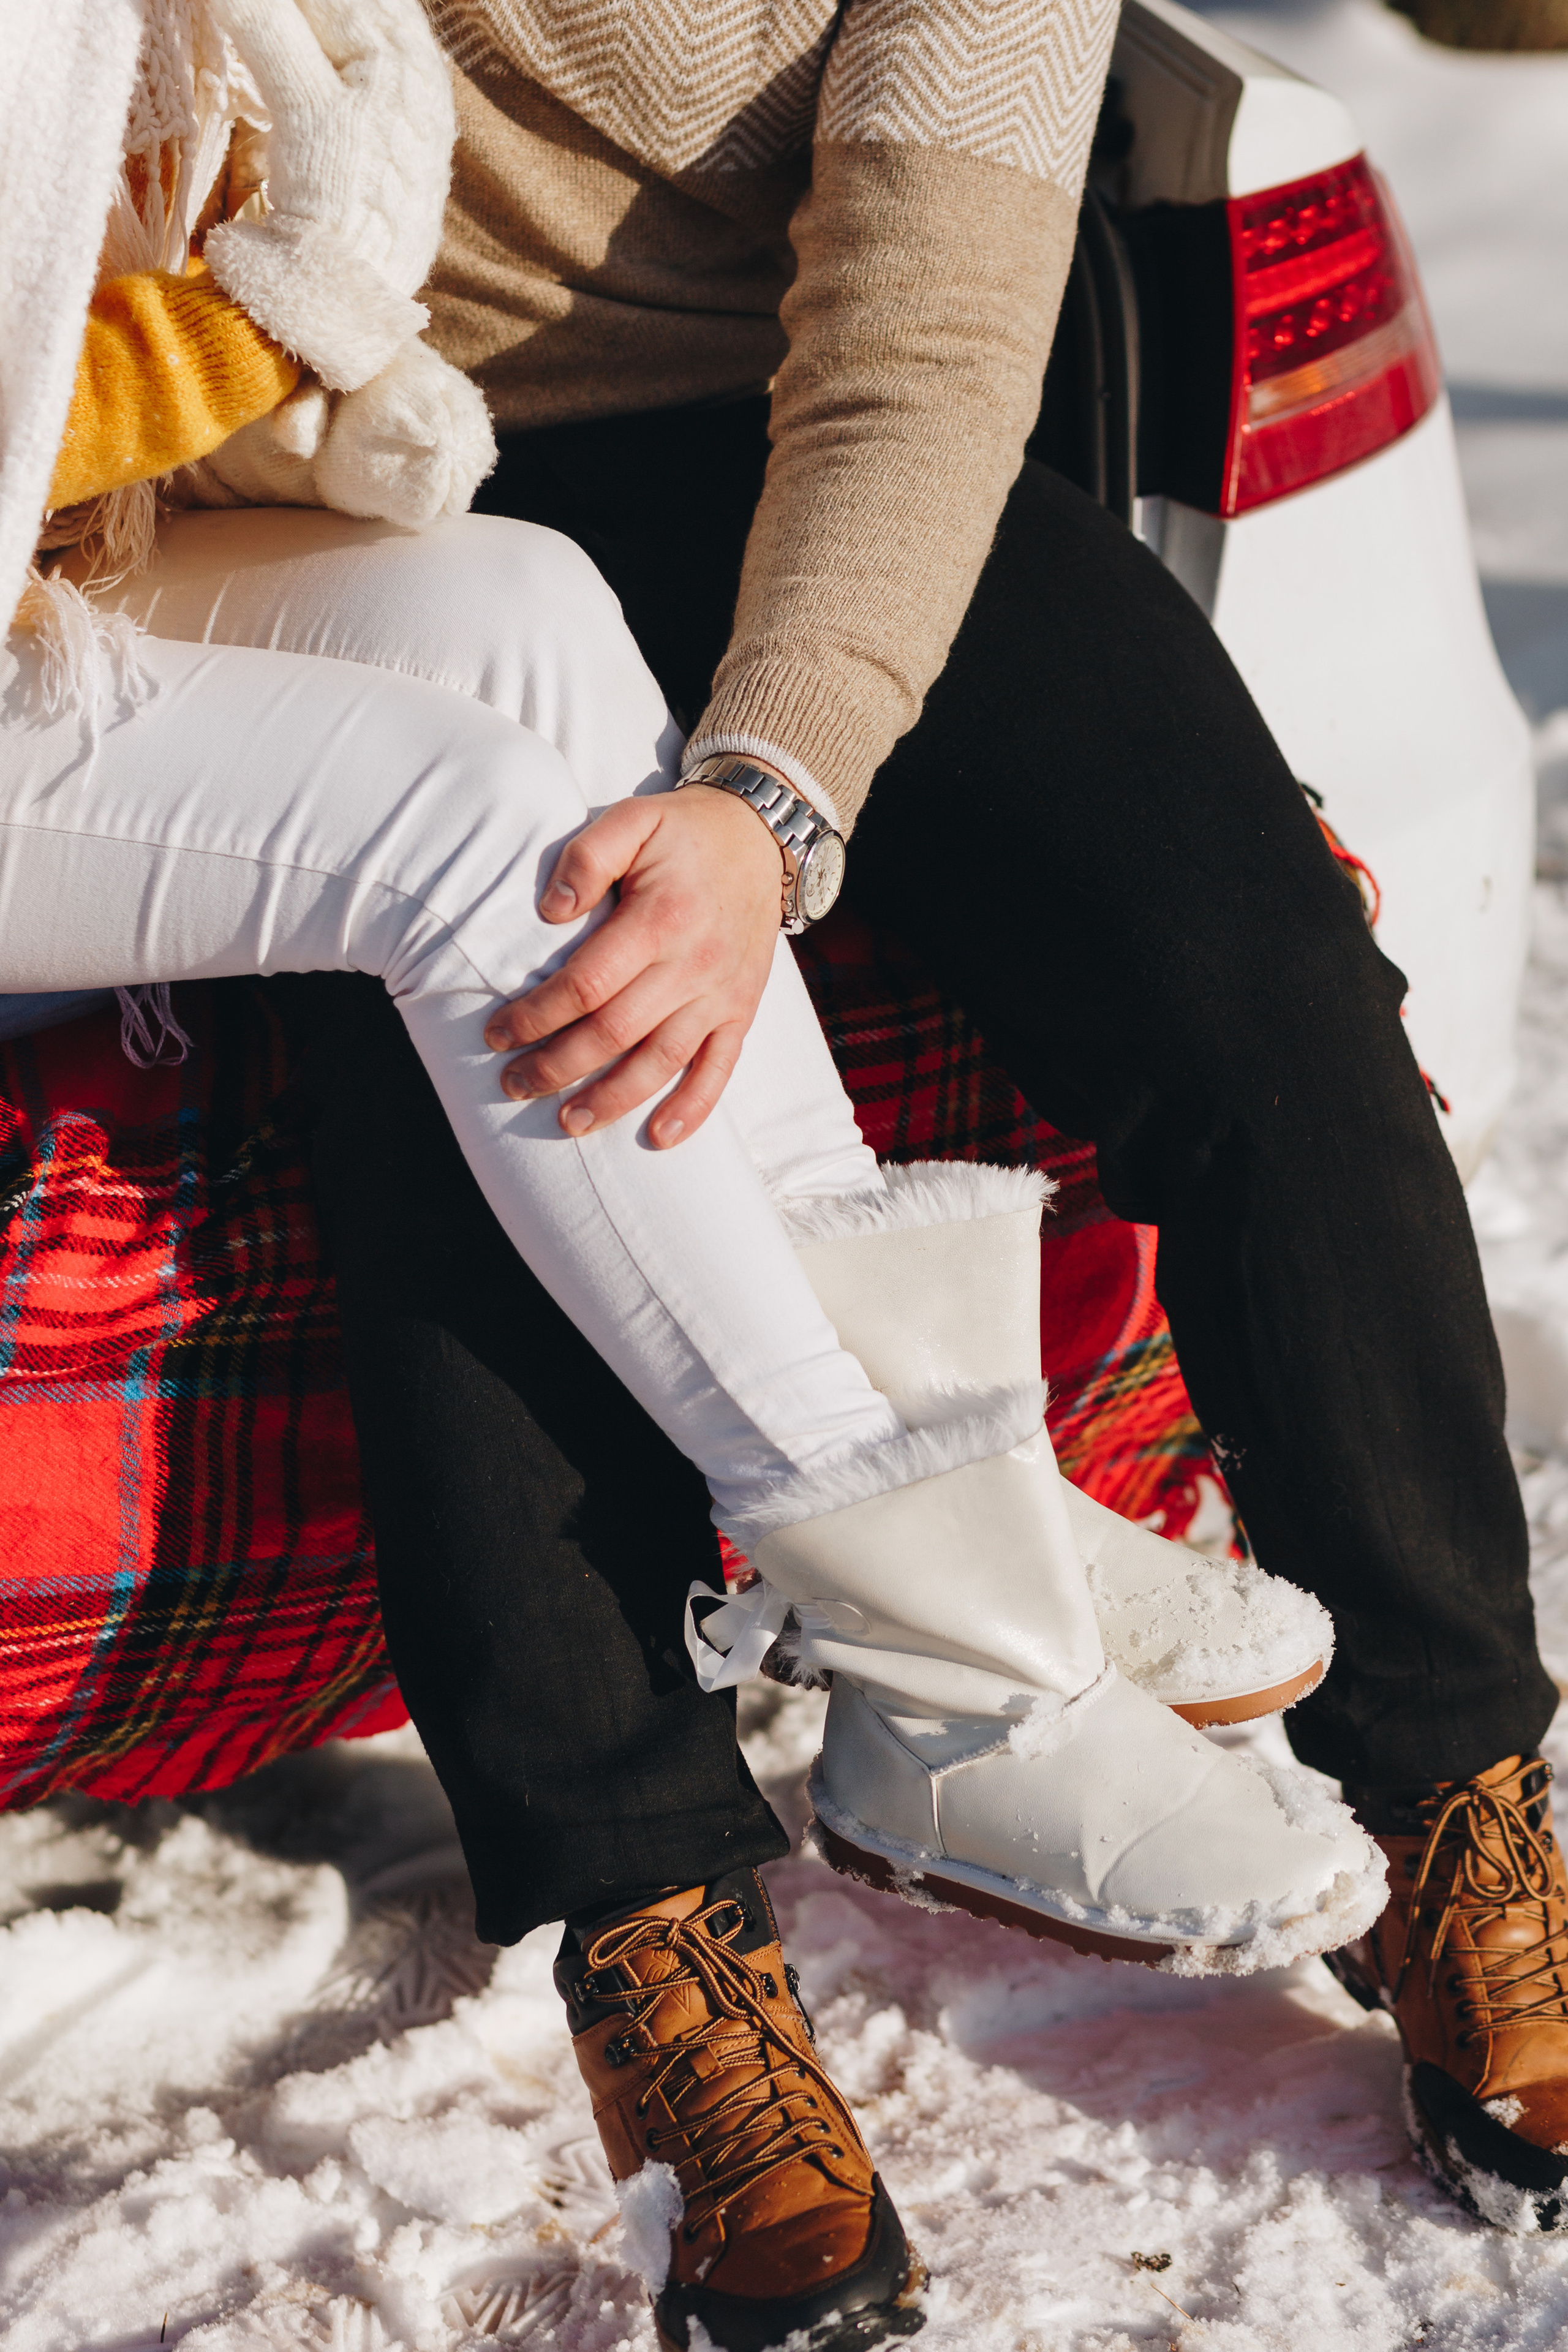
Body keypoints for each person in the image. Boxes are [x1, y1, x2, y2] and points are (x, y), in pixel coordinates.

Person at [1, 3, 1385, 2344]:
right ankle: (947, 1651)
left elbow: (924, 333)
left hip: (80, 539)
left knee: (529, 620)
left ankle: (974, 1508)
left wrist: (768, 790)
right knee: (457, 850)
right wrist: (219, 326)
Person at [301, 0, 1565, 2236]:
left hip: (806, 425)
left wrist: (772, 791)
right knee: (512, 1057)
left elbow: (921, 333)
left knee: (1258, 977)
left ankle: (1452, 1793)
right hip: (344, 463)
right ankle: (651, 1931)